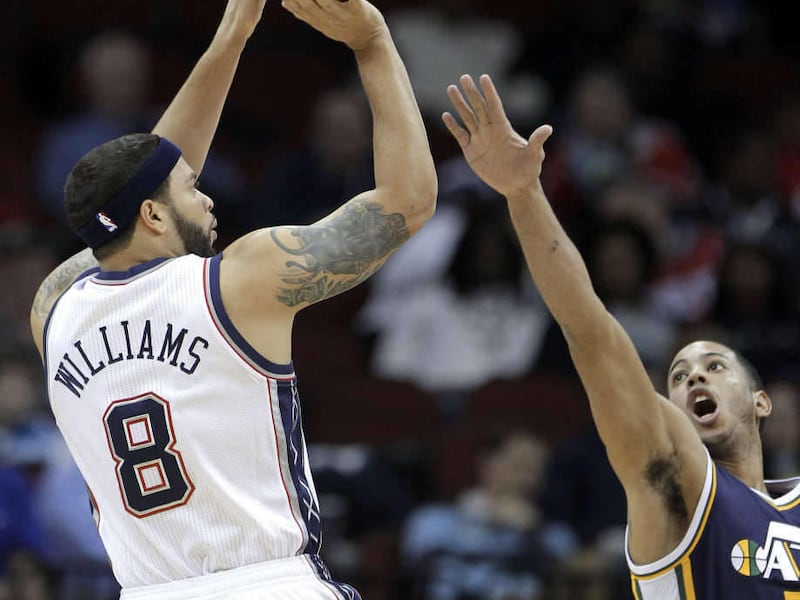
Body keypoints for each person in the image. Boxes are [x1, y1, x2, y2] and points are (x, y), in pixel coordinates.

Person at [28, 0, 437, 598]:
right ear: (152, 214)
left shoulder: (54, 307)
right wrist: (373, 42)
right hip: (269, 583)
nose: (209, 199)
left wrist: (233, 36)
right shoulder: (238, 280)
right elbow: (410, 200)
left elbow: (139, 191)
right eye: (194, 189)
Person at [442, 73, 798, 598]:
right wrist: (524, 195)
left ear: (761, 402)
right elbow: (592, 332)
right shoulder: (672, 479)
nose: (694, 373)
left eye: (715, 366)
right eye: (679, 375)